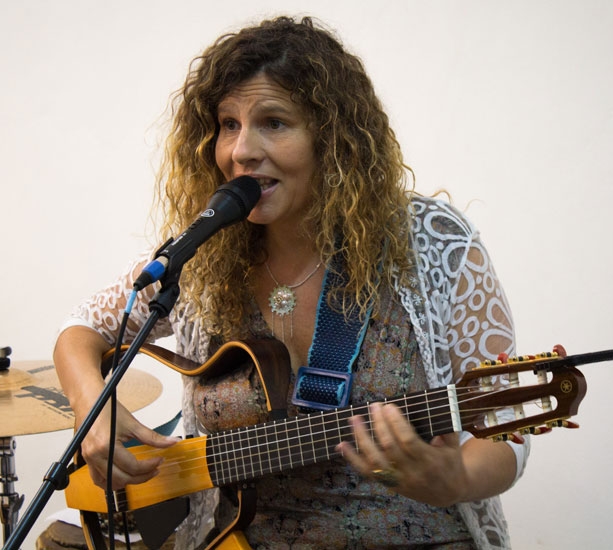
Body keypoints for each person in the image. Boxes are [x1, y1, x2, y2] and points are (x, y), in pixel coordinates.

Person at [54, 15, 528, 550]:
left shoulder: (432, 243)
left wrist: (457, 479)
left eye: (273, 122)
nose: (241, 151)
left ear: (333, 137)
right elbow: (82, 328)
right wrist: (92, 405)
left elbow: (506, 424)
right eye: (228, 124)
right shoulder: (206, 253)